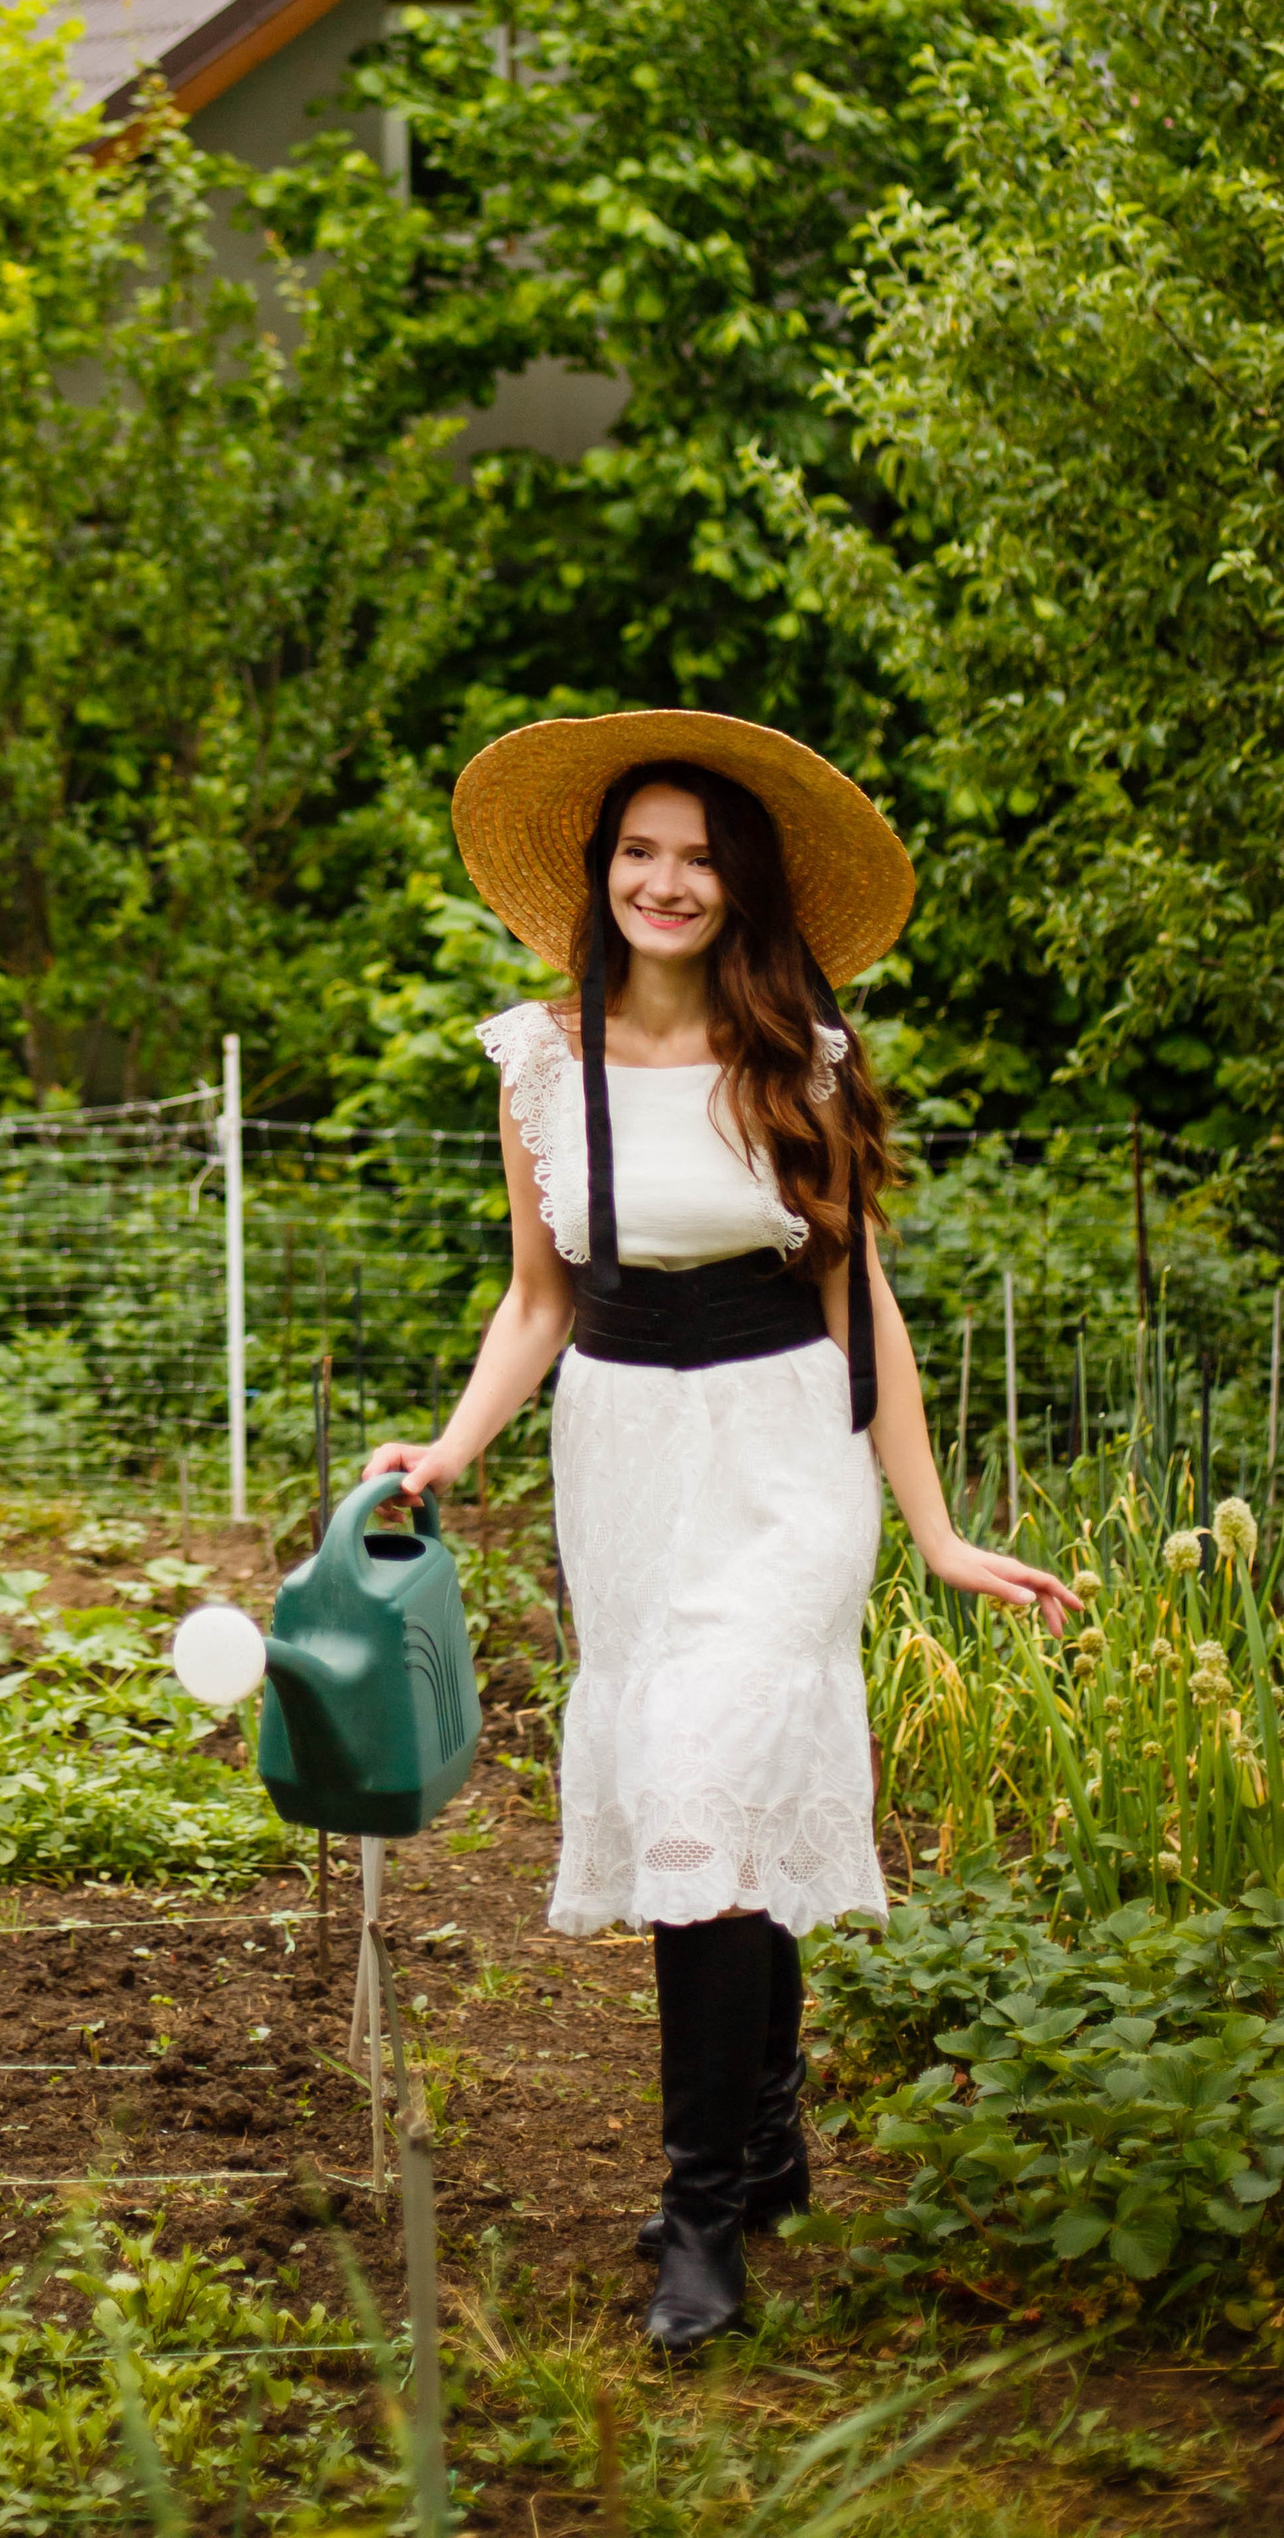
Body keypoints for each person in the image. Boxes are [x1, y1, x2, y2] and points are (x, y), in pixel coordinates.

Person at [364, 710, 1077, 2356]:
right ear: (599, 876)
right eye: (638, 852)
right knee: (715, 1790)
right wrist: (457, 1448)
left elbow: (857, 1298)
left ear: (739, 884)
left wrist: (943, 1536)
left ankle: (700, 2223)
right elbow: (541, 1297)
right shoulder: (541, 1061)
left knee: (707, 1763)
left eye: (696, 857)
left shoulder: (795, 1056)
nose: (665, 883)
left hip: (779, 1453)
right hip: (627, 1462)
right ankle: (762, 2148)